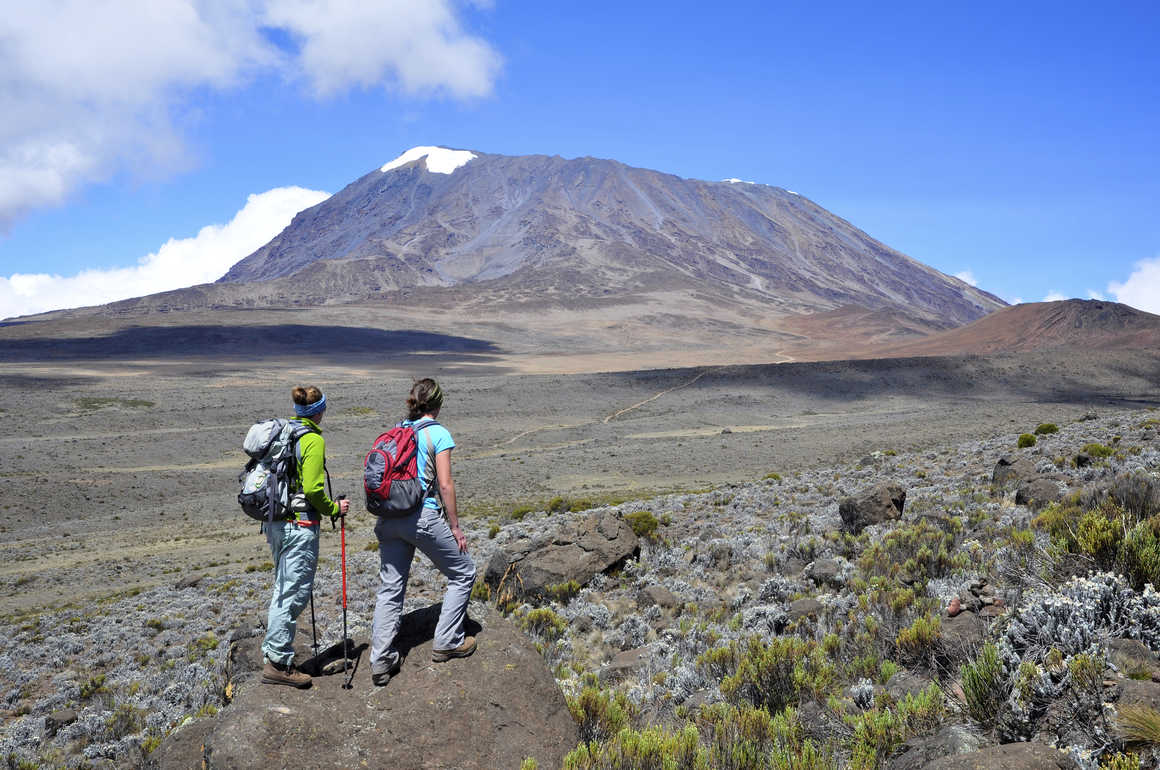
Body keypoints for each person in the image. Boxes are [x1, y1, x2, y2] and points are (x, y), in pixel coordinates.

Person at [370, 378, 477, 685]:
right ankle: (448, 640)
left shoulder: (398, 430)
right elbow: (445, 484)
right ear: (438, 404)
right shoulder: (437, 433)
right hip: (421, 516)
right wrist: (455, 527)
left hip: (388, 518)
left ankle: (380, 660)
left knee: (390, 589)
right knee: (464, 573)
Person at [261, 386, 350, 688]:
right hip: (299, 526)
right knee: (292, 594)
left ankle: (276, 656)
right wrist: (334, 508)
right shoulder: (312, 440)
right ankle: (278, 664)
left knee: (283, 589)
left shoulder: (286, 434)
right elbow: (312, 489)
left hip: (276, 524)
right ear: (319, 411)